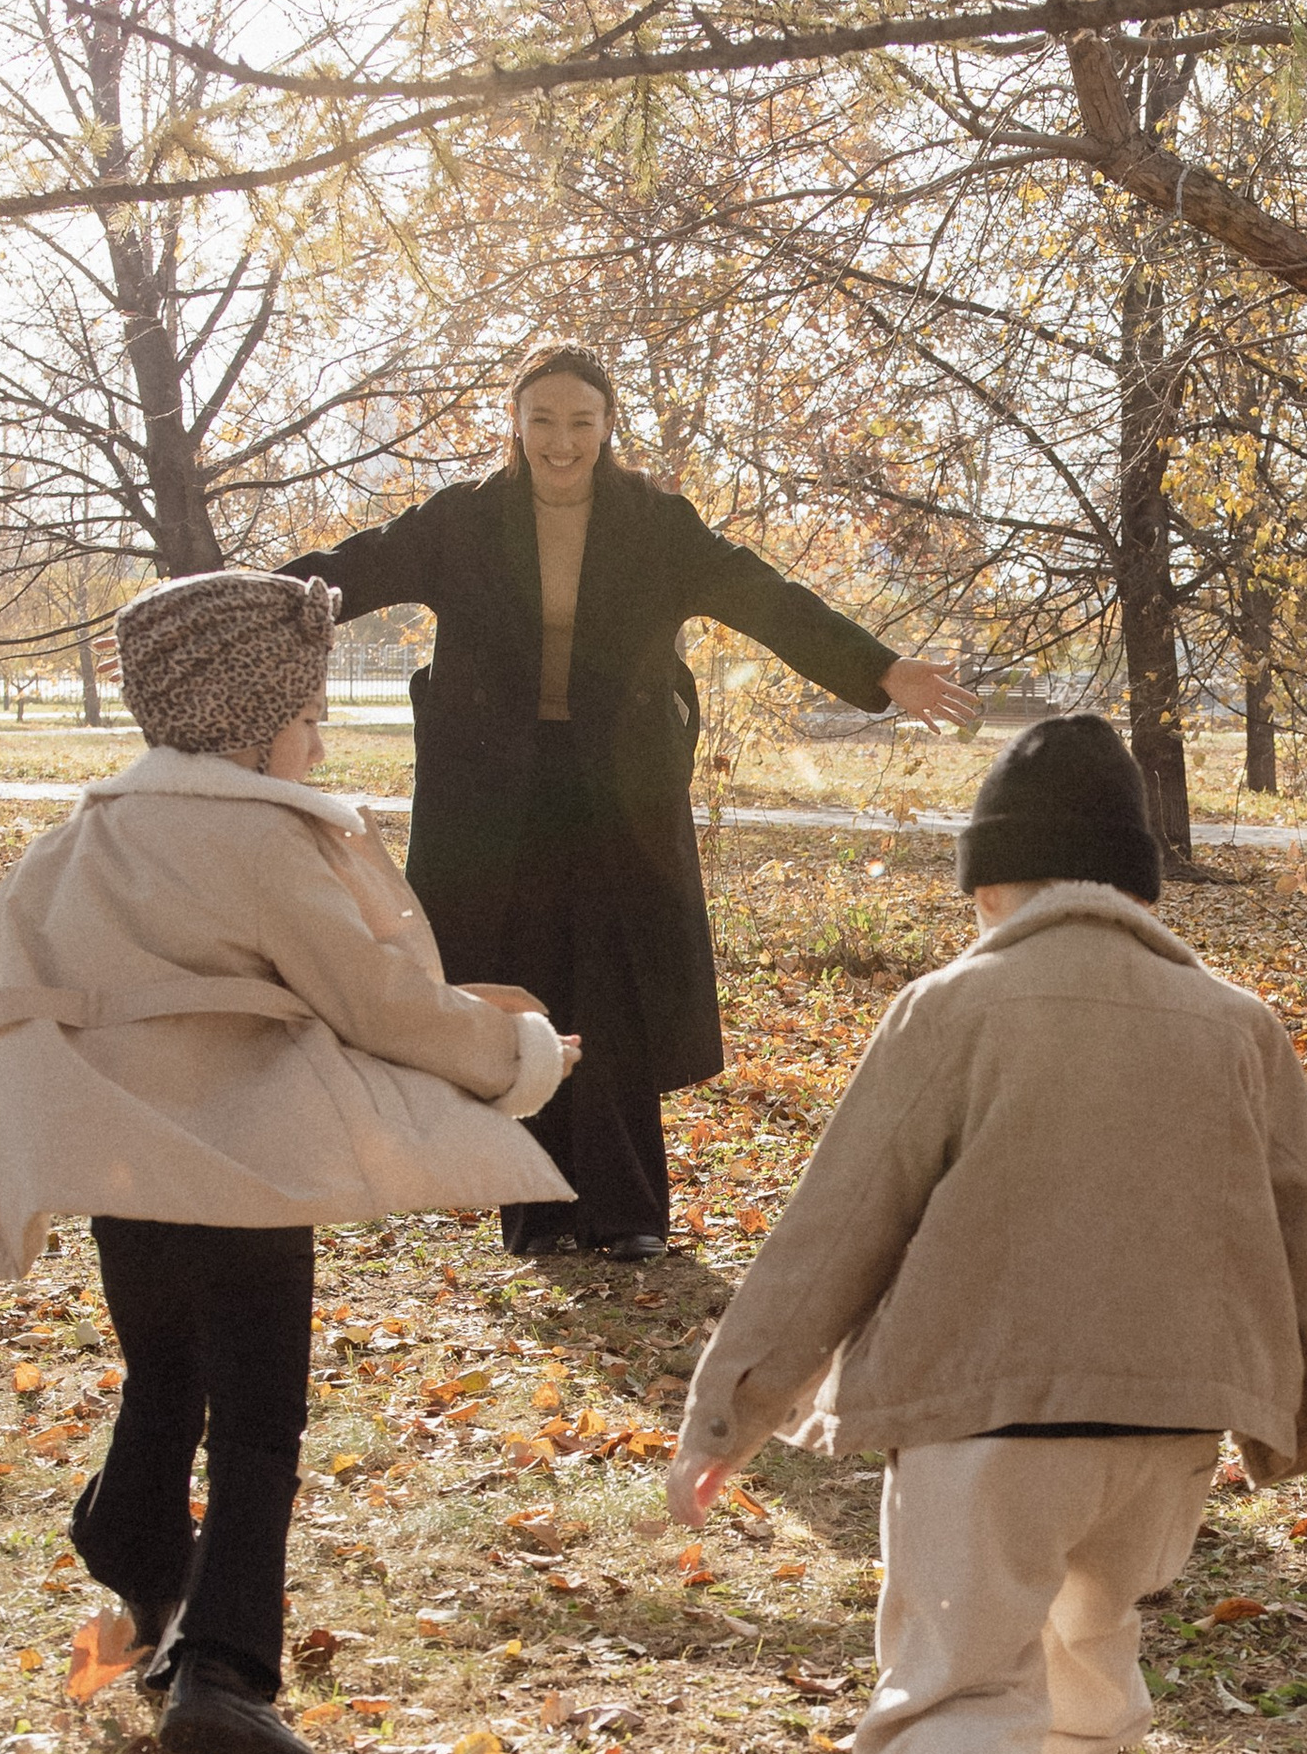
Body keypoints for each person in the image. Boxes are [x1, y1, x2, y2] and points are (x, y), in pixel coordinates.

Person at [665, 712, 1307, 1754]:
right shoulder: (1237, 1025)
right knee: (1094, 1644)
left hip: (985, 1410)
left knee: (957, 1673)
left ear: (996, 886)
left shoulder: (955, 1007)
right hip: (1170, 1426)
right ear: (1137, 886)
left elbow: (840, 1222)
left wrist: (732, 1409)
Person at [0, 569, 575, 1754]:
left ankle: (130, 1536)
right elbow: (375, 1000)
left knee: (165, 1377)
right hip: (248, 1170)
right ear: (253, 721)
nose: (319, 739)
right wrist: (521, 1055)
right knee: (260, 1419)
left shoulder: (83, 833)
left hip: (123, 1171)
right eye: (310, 716)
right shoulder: (265, 839)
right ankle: (222, 1672)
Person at [291, 340, 977, 1260]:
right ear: (516, 425)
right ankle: (535, 1208)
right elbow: (346, 572)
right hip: (498, 790)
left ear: (609, 425)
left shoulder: (655, 524)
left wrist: (882, 668)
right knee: (522, 978)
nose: (561, 442)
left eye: (580, 421)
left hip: (618, 787)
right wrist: (220, 609)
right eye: (542, 421)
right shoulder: (461, 521)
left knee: (612, 981)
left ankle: (626, 1214)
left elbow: (766, 598)